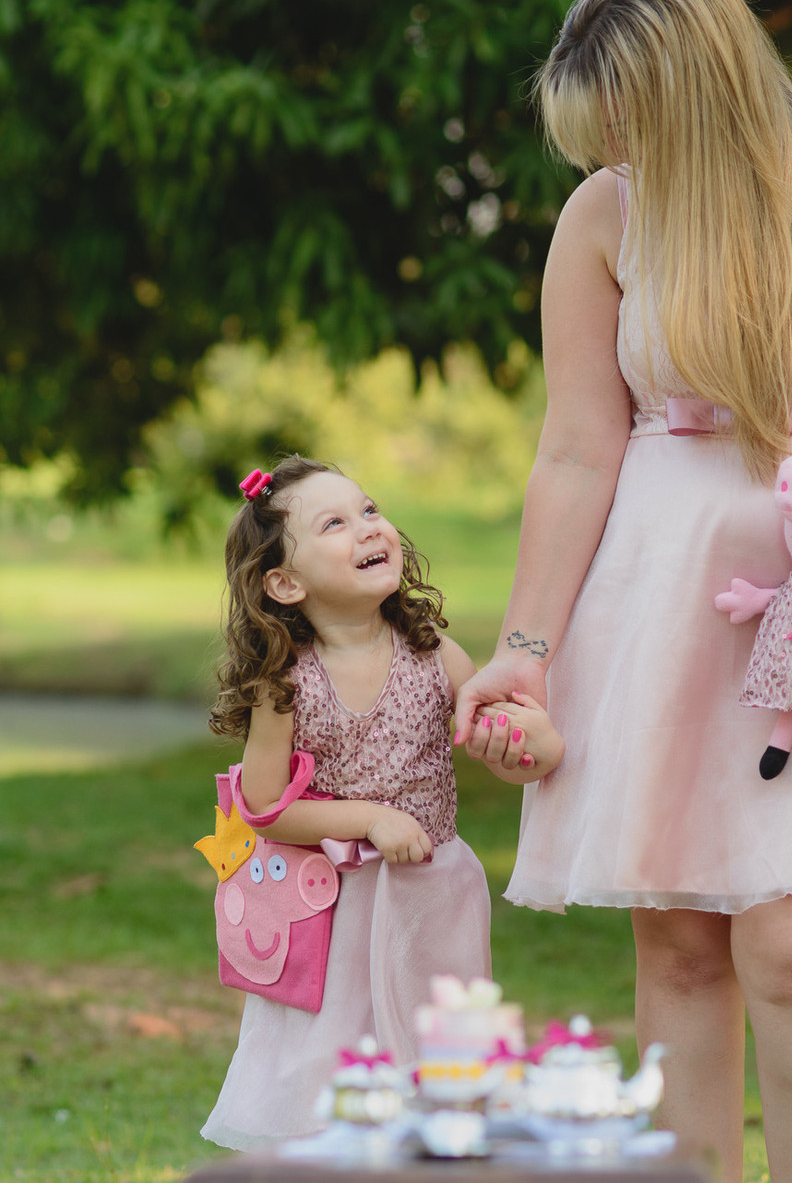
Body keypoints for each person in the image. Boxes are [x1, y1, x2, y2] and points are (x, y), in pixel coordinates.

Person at [453, 0, 792, 1179]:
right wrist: (526, 651)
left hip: (790, 593)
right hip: (661, 598)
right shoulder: (605, 216)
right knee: (683, 941)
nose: (608, 151)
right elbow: (575, 445)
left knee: (789, 942)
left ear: (693, 94)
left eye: (625, 120)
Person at [200, 454, 564, 1150]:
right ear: (283, 582)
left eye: (368, 510)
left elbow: (503, 753)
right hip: (335, 909)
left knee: (438, 1049)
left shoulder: (434, 655)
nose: (368, 528)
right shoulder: (284, 684)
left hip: (434, 898)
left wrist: (533, 747)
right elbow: (261, 806)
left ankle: (438, 1153)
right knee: (335, 1057)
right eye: (334, 523)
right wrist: (367, 818)